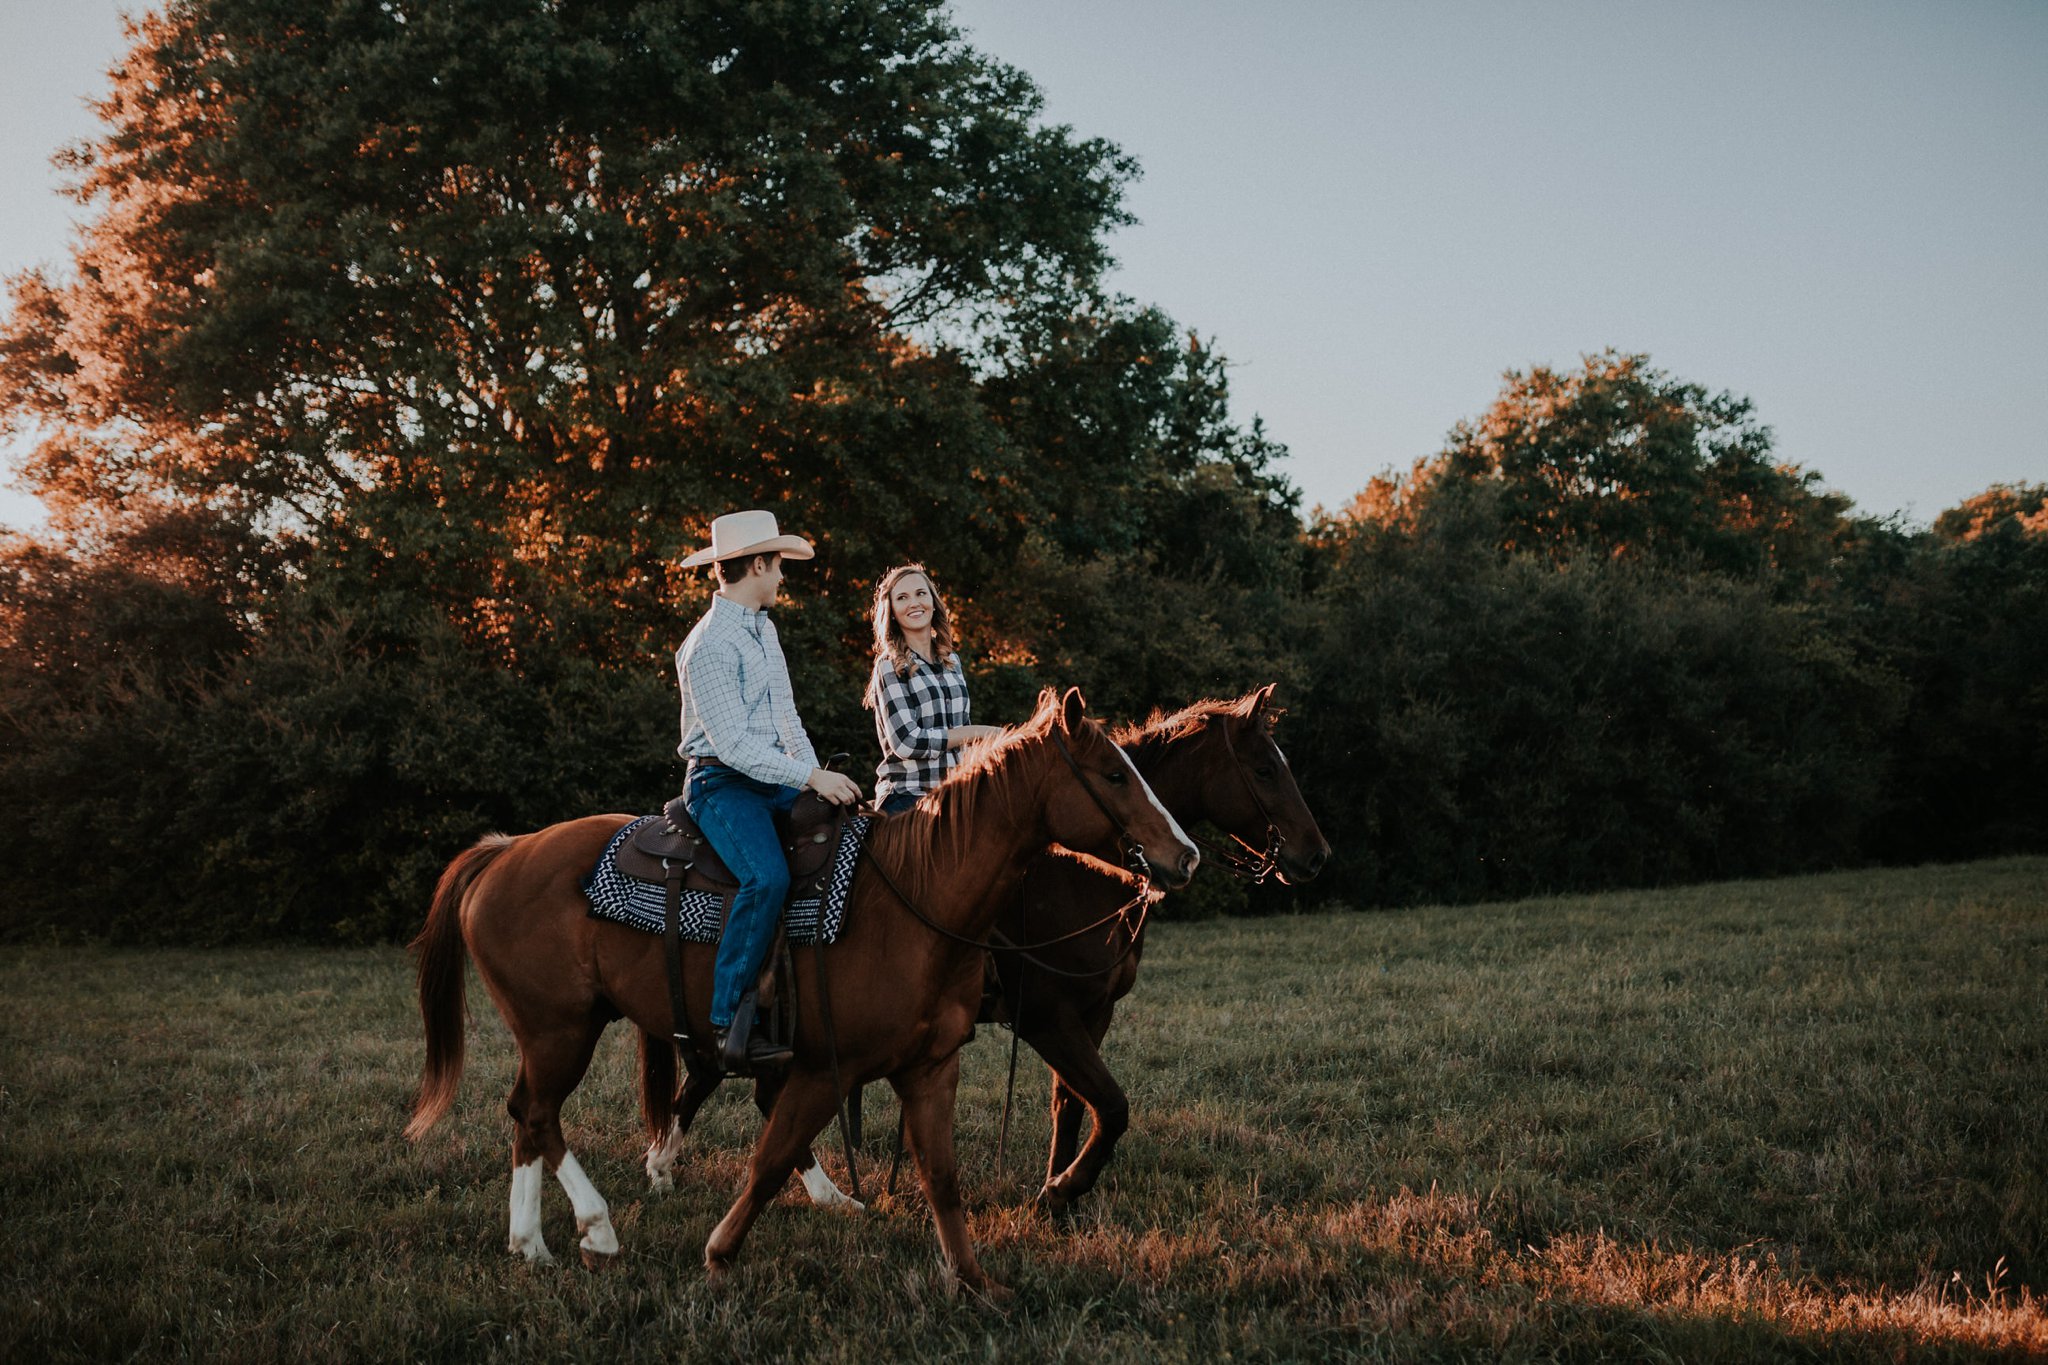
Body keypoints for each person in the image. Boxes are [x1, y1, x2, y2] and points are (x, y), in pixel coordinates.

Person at [676, 509, 862, 1072]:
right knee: (767, 877)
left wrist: (817, 778)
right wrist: (808, 777)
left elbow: (787, 717)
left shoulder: (763, 628)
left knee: (853, 830)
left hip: (774, 775)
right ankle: (728, 1017)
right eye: (778, 566)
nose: (783, 577)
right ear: (757, 564)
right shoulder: (707, 645)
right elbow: (731, 745)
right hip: (720, 782)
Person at [864, 563, 1001, 814]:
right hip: (908, 793)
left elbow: (963, 740)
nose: (914, 603)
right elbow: (906, 742)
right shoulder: (889, 666)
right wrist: (978, 732)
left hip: (956, 791)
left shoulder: (951, 662)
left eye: (920, 593)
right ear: (892, 611)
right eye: (902, 598)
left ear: (933, 602)